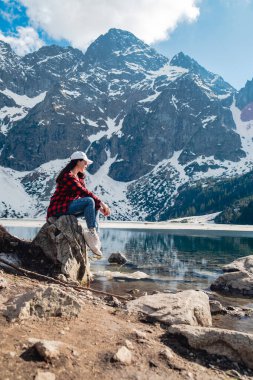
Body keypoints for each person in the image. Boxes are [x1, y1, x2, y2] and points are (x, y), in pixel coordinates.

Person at [47, 151, 111, 257]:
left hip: (68, 207)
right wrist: (102, 203)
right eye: (85, 162)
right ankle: (91, 234)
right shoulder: (68, 176)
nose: (86, 165)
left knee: (93, 203)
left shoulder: (79, 177)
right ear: (78, 161)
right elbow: (83, 192)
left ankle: (94, 236)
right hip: (58, 209)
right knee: (90, 201)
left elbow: (84, 194)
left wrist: (99, 206)